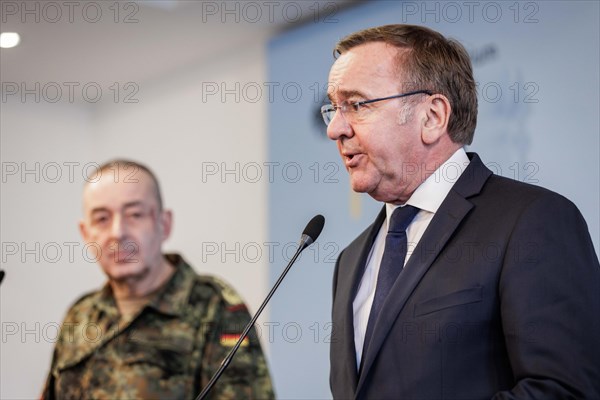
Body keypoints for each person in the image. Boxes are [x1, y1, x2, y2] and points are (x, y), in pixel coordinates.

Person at [323, 24, 600, 399]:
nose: (335, 129)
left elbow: (565, 390)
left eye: (356, 104)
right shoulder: (350, 260)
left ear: (432, 116)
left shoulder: (532, 221)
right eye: (334, 108)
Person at [42, 160, 274, 399]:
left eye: (134, 214)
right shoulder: (80, 315)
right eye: (102, 219)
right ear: (86, 233)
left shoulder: (216, 309)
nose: (117, 232)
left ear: (164, 224)